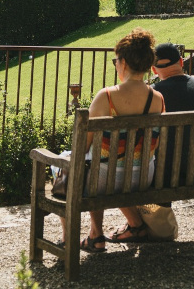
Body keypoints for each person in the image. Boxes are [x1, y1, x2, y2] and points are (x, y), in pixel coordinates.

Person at [69, 28, 165, 252]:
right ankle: (127, 227)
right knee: (101, 164)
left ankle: (94, 235)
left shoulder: (107, 96)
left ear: (123, 62)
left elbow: (82, 147)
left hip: (104, 180)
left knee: (84, 164)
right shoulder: (157, 98)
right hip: (142, 176)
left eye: (115, 61)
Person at [151, 43, 194, 186]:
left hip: (164, 174)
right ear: (181, 61)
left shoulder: (154, 93)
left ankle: (159, 209)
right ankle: (162, 209)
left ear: (154, 69)